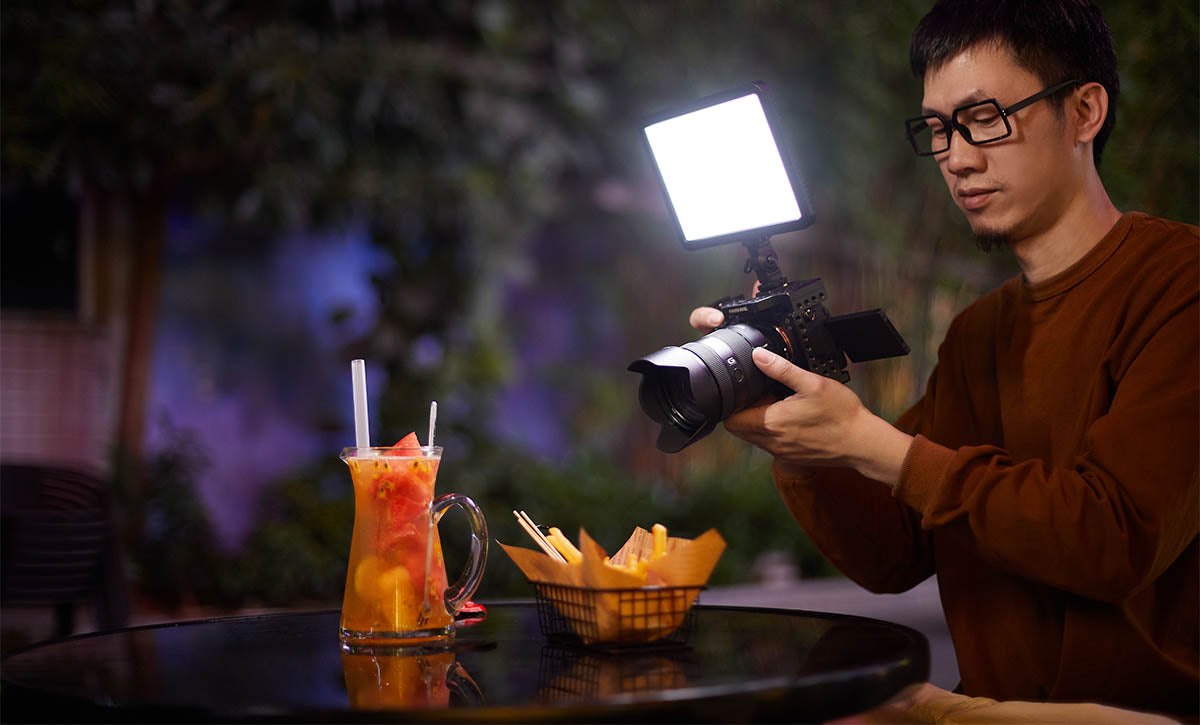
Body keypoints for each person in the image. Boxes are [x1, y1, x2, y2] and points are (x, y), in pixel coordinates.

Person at [691, 0, 1198, 717]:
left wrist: (876, 443)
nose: (958, 157)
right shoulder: (977, 333)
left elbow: (1114, 540)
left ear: (1084, 112)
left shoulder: (1181, 285)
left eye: (986, 118)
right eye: (937, 129)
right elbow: (895, 554)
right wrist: (797, 440)